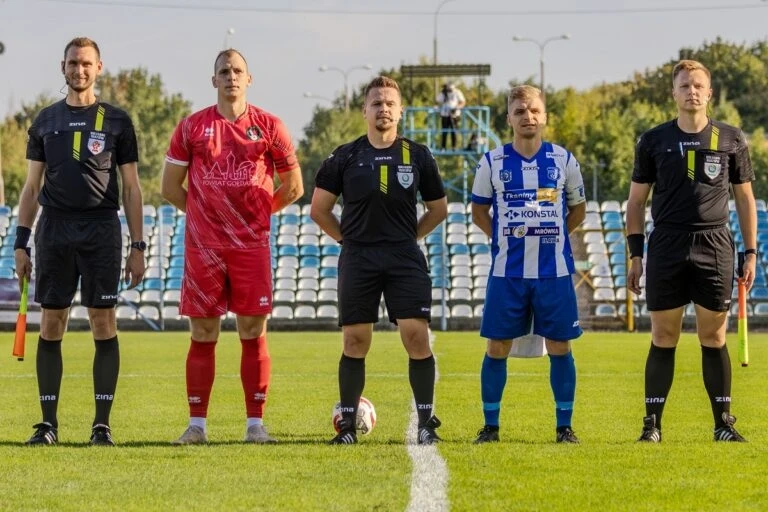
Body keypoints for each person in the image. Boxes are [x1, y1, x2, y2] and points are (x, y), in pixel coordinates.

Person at [161, 49, 303, 445]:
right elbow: (170, 187)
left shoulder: (270, 126)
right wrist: (207, 214)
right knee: (203, 331)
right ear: (214, 80)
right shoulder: (192, 127)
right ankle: (197, 427)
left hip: (250, 246)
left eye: (238, 71)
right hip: (204, 246)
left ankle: (255, 425)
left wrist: (253, 216)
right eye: (224, 71)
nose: (231, 77)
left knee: (253, 329)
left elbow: (294, 187)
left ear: (249, 78)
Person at [15, 37, 145, 446]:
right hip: (54, 229)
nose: (79, 70)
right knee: (52, 322)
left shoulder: (117, 121)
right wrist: (20, 243)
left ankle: (101, 426)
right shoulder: (45, 120)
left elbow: (132, 187)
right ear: (63, 67)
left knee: (102, 322)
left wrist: (138, 246)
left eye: (87, 63)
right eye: (73, 63)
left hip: (101, 229)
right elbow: (31, 187)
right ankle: (47, 425)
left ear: (99, 68)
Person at [311, 76, 448, 445]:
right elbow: (319, 209)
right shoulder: (344, 156)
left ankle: (425, 424)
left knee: (416, 336)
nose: (383, 109)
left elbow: (438, 209)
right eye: (376, 103)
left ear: (400, 111)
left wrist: (409, 238)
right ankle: (347, 428)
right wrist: (347, 240)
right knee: (355, 340)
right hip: (359, 257)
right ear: (364, 111)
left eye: (390, 103)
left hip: (404, 257)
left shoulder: (418, 155)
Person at [627, 59, 756, 443]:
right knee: (663, 336)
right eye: (684, 85)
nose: (692, 91)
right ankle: (652, 425)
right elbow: (636, 202)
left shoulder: (731, 138)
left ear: (709, 92)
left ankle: (723, 425)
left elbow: (745, 199)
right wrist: (636, 255)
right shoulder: (653, 140)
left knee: (713, 337)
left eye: (698, 85)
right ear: (674, 93)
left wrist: (751, 252)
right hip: (667, 243)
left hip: (714, 245)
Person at [471, 85, 586, 444]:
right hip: (508, 273)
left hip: (554, 273)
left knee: (560, 346)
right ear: (509, 118)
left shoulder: (563, 159)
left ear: (544, 116)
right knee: (496, 347)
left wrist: (554, 235)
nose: (528, 117)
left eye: (534, 110)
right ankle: (491, 427)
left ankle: (564, 427)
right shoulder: (492, 162)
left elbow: (578, 209)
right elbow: (479, 211)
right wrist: (503, 238)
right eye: (520, 111)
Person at [436, 82, 466, 150]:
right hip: (445, 115)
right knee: (444, 131)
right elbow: (437, 100)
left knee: (454, 131)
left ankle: (454, 147)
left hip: (454, 115)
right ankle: (443, 147)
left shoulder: (457, 92)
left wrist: (457, 108)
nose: (449, 90)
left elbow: (463, 102)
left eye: (450, 89)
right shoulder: (443, 93)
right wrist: (438, 108)